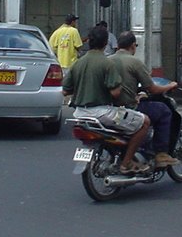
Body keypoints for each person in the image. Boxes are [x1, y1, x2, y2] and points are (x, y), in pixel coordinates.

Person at [62, 25, 151, 175]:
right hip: (102, 113)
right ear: (105, 43)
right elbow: (115, 93)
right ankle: (126, 162)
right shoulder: (106, 63)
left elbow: (65, 91)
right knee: (144, 122)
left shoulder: (78, 63)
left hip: (79, 114)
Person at [109, 31, 180, 167]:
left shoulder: (108, 60)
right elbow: (152, 89)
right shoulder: (135, 62)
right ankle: (161, 153)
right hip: (128, 108)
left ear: (117, 46)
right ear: (133, 46)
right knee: (164, 111)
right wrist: (169, 86)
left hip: (111, 109)